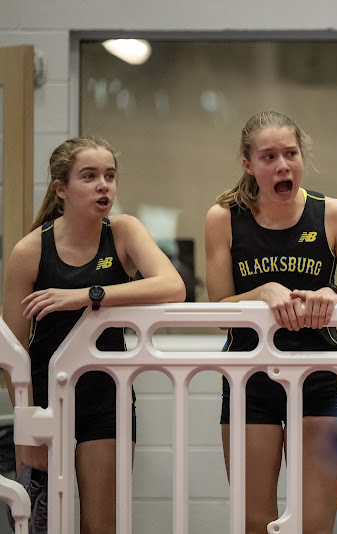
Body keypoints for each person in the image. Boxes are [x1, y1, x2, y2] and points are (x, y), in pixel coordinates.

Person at [0, 136, 186, 533]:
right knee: (41, 525)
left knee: (101, 526)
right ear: (61, 188)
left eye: (110, 176)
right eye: (90, 176)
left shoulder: (123, 231)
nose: (104, 185)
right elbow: (12, 353)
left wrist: (88, 295)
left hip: (107, 397)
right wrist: (28, 423)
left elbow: (173, 286)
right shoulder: (30, 251)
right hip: (46, 399)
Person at [204, 110, 337, 534]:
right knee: (256, 523)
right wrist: (262, 291)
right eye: (268, 157)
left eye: (290, 153)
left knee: (316, 523)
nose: (282, 165)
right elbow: (219, 306)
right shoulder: (223, 217)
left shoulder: (334, 214)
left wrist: (331, 293)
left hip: (319, 377)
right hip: (250, 378)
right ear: (249, 165)